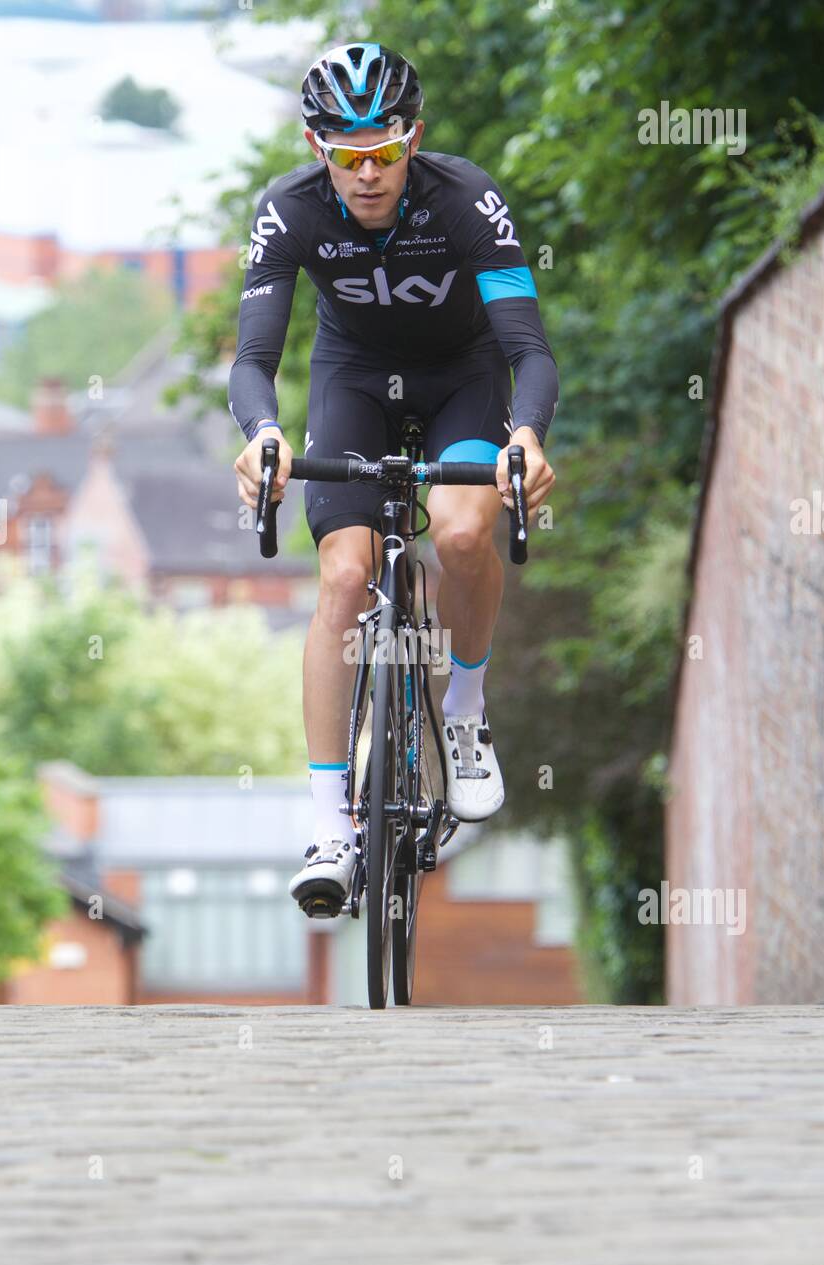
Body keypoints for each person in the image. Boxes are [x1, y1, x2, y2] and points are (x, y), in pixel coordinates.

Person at [229, 42, 558, 914]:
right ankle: (332, 825)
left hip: (463, 376)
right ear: (315, 148)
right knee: (342, 577)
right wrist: (262, 434)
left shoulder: (466, 198)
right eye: (347, 155)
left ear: (415, 139)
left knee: (457, 530)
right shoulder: (288, 211)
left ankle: (464, 712)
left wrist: (525, 434)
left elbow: (528, 347)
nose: (367, 174)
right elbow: (254, 359)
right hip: (353, 379)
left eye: (384, 150)